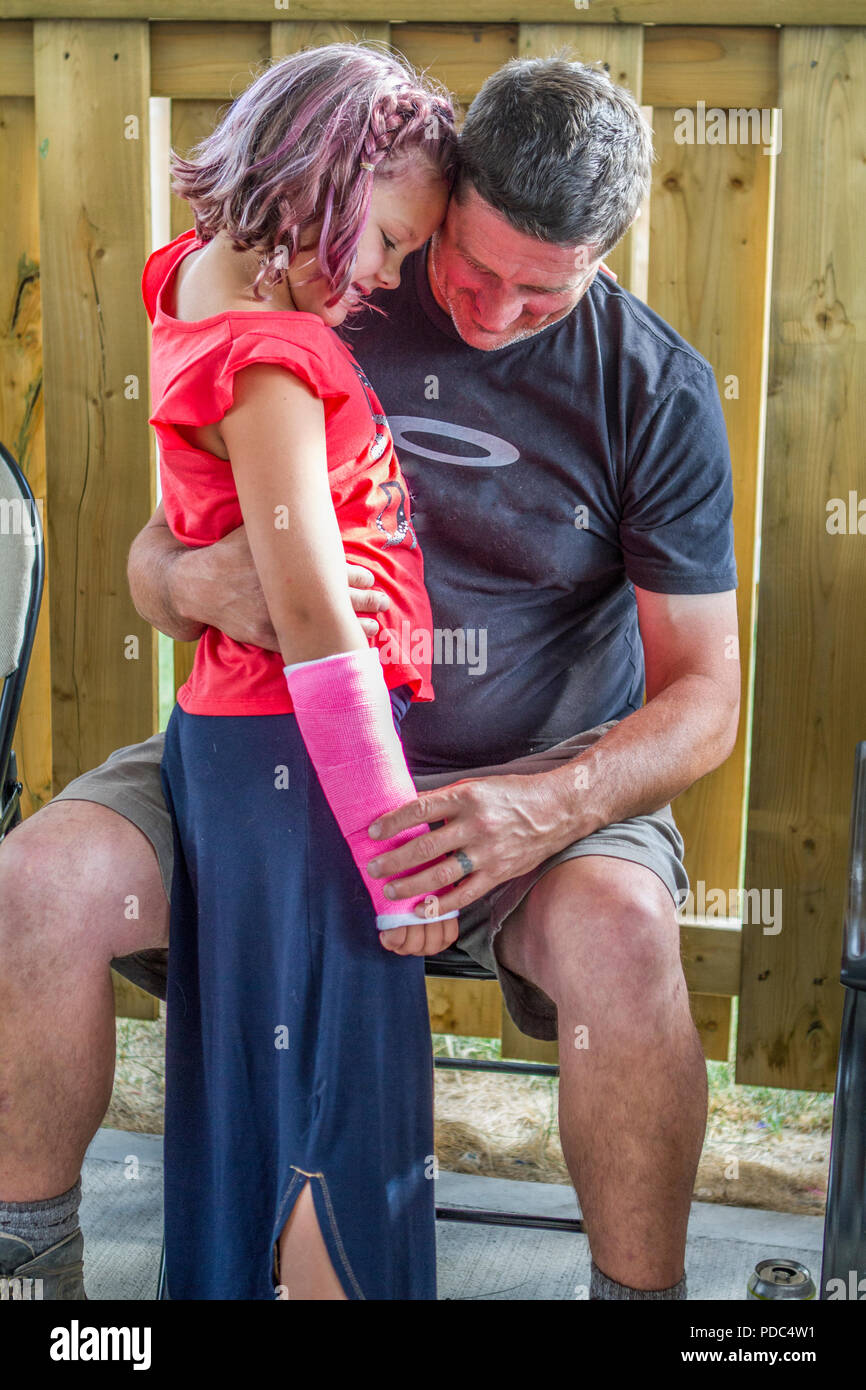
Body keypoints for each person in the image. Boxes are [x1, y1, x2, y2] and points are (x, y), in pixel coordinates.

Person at [0, 54, 739, 1302]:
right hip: (271, 748)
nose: (492, 311)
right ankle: (32, 1269)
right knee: (40, 883)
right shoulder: (337, 271)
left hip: (521, 790)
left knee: (622, 935)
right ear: (440, 198)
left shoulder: (652, 388)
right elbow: (156, 550)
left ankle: (640, 1302)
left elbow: (705, 698)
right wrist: (186, 588)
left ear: (607, 252)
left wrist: (543, 809)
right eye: (471, 266)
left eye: (541, 293)